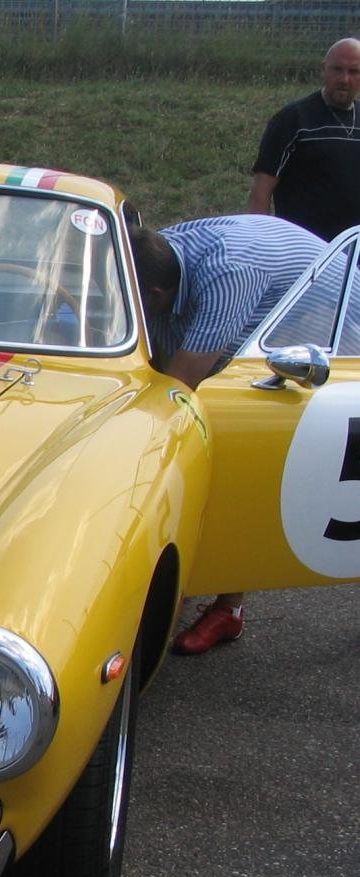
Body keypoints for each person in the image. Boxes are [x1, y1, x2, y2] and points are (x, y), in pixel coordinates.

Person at [129, 215, 325, 654]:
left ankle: (229, 607)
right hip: (261, 297)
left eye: (136, 304)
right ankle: (185, 575)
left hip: (325, 326)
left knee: (232, 444)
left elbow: (182, 381)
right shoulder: (153, 254)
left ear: (156, 295)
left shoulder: (229, 275)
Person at [248, 37, 360, 242]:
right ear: (324, 69)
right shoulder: (293, 120)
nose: (345, 79)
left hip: (354, 250)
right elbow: (261, 192)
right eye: (337, 69)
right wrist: (262, 243)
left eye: (353, 72)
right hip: (304, 249)